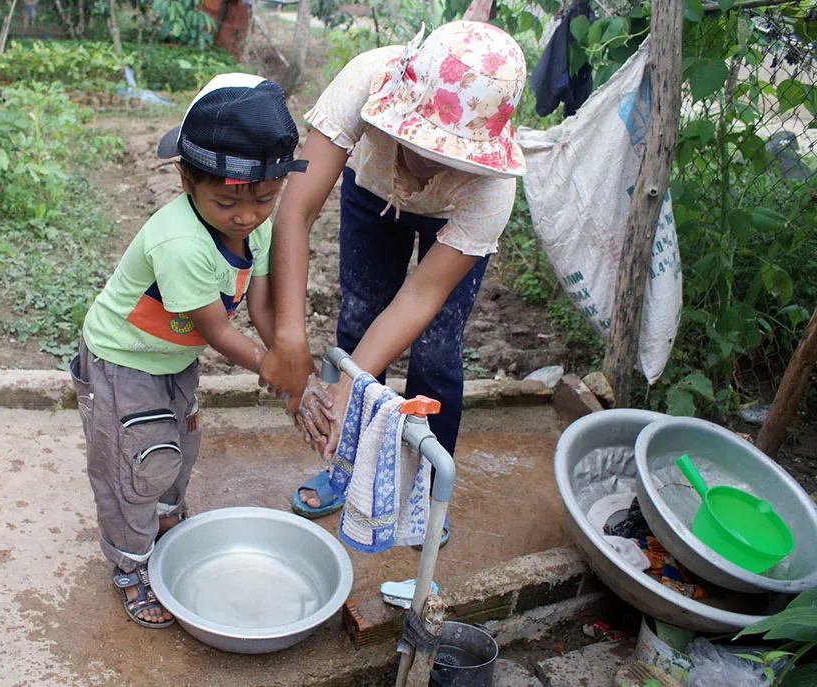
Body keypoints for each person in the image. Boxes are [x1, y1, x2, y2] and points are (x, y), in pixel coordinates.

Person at [262, 21, 527, 541]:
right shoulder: (367, 79)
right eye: (422, 145)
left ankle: (426, 489)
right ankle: (350, 467)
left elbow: (422, 293)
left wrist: (347, 386)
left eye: (446, 155)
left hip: (453, 220)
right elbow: (294, 212)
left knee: (436, 350)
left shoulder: (493, 190)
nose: (427, 163)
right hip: (371, 191)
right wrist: (289, 336)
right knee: (360, 315)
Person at [69, 74, 307, 628]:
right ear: (186, 179)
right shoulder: (179, 242)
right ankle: (130, 567)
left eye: (265, 200)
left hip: (173, 358)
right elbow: (221, 334)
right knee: (135, 463)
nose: (246, 216)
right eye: (227, 202)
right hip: (121, 362)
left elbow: (265, 311)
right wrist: (274, 367)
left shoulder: (258, 231)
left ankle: (165, 525)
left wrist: (291, 362)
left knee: (179, 447)